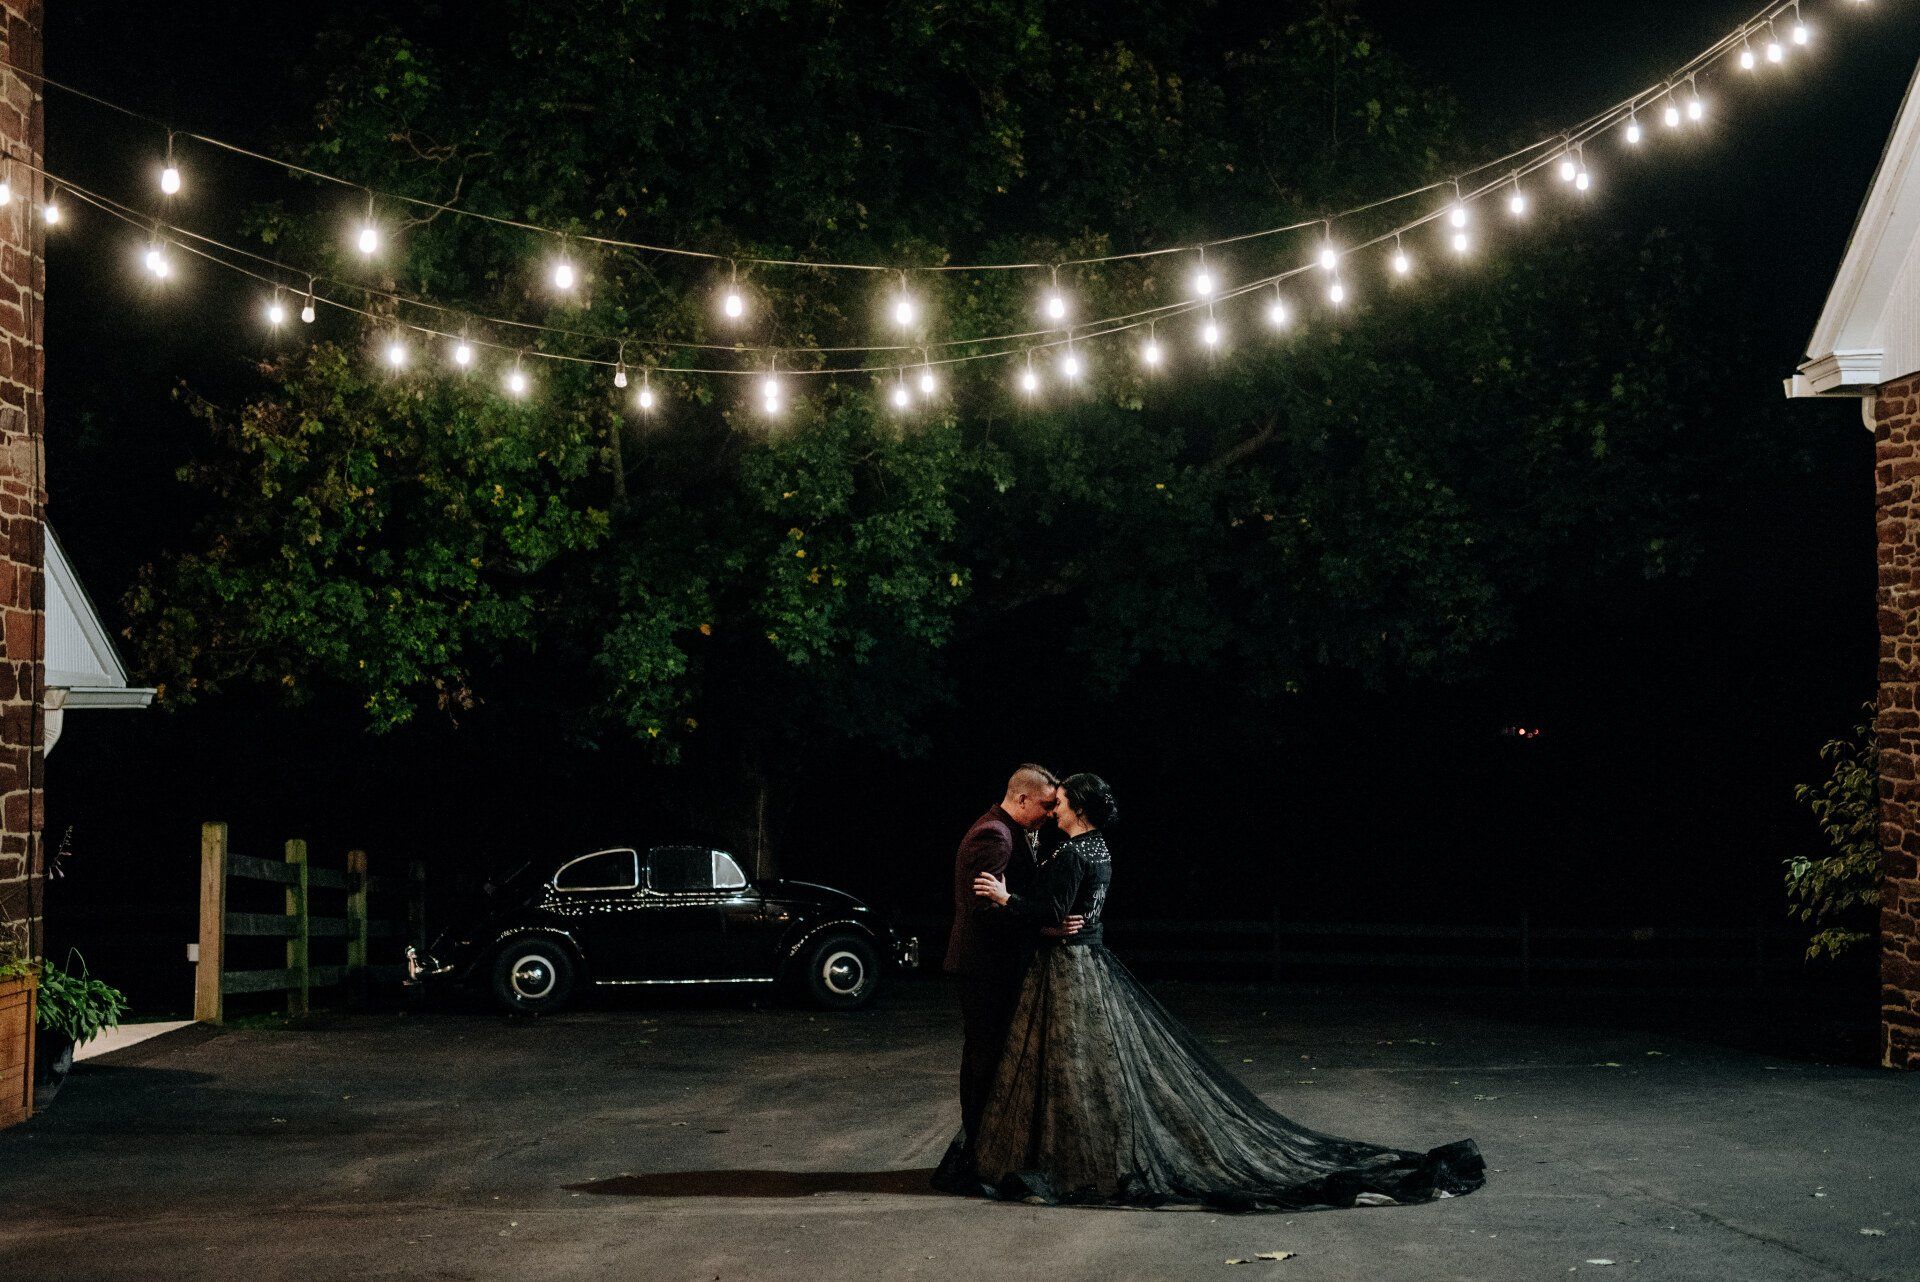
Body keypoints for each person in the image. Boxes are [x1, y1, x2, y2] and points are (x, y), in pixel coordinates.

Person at [957, 772, 1487, 1211]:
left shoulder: (1075, 852)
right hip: (1087, 960)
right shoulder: (1098, 848)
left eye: (1062, 803)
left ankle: (1076, 1159)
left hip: (1071, 971)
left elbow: (1053, 910)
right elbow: (1070, 913)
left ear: (1080, 808)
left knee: (1074, 1070)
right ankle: (1080, 1152)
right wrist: (1056, 921)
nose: (1055, 811)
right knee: (1089, 1070)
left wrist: (1008, 899)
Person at [936, 764, 1082, 1165]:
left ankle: (989, 1148)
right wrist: (1047, 931)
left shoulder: (1013, 830)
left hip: (995, 963)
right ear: (1021, 799)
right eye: (1046, 804)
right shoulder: (993, 834)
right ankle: (978, 1152)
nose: (1051, 813)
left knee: (994, 1055)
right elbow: (985, 910)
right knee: (985, 1057)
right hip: (985, 965)